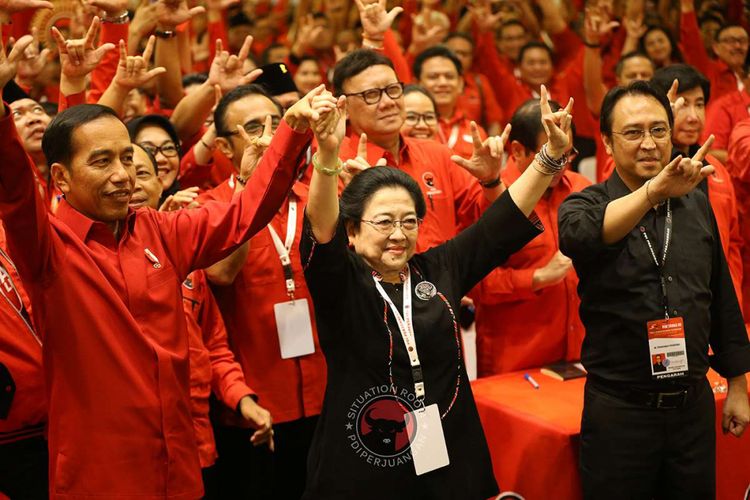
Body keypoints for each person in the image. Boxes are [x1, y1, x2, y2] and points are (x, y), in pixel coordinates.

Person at [0, 34, 331, 494]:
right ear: (61, 178)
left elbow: (243, 214)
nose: (122, 174)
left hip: (179, 461)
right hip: (100, 474)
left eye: (126, 159)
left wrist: (292, 131)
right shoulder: (48, 249)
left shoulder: (159, 229)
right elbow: (15, 190)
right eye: (101, 161)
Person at [302, 86, 574, 499]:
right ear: (353, 233)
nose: (398, 234)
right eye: (384, 222)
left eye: (409, 221)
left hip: (447, 444)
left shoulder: (437, 269)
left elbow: (501, 221)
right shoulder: (341, 280)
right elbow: (321, 231)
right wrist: (326, 155)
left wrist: (549, 157)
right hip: (365, 454)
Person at [559, 81, 750, 499]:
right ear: (607, 142)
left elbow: (719, 294)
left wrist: (738, 383)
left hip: (692, 409)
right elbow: (581, 237)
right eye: (633, 132)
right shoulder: (584, 205)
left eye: (659, 130)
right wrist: (652, 193)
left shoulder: (694, 201)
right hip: (621, 413)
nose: (649, 143)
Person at [198, 83, 328, 499]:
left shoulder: (315, 199)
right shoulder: (207, 208)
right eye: (254, 126)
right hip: (254, 402)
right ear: (223, 145)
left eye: (279, 123)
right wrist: (250, 191)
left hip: (327, 389)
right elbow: (221, 273)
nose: (269, 135)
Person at [129, 143, 273, 497]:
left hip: (197, 436)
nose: (130, 182)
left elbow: (213, 346)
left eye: (142, 173)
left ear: (163, 182)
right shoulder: (93, 264)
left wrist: (243, 399)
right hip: (136, 447)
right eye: (122, 172)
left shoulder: (191, 268)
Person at [332, 49, 506, 251]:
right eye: (371, 94)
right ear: (343, 107)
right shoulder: (337, 166)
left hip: (445, 277)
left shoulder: (438, 154)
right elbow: (331, 246)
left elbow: (489, 220)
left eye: (393, 89)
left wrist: (491, 181)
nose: (388, 102)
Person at [473, 98, 590, 376]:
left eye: (567, 152)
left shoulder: (582, 189)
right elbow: (474, 284)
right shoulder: (492, 197)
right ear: (517, 151)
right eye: (551, 152)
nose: (560, 164)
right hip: (517, 360)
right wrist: (538, 277)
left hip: (580, 354)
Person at [650, 64, 745, 314]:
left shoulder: (718, 170)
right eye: (682, 105)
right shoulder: (643, 169)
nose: (693, 116)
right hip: (666, 309)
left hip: (719, 306)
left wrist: (732, 302)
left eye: (700, 104)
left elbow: (732, 244)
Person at [412, 45, 487, 159]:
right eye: (433, 77)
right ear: (417, 83)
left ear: (461, 83)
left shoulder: (475, 132)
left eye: (449, 76)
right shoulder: (410, 128)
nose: (443, 83)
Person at [680, 0, 749, 101]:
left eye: (742, 41)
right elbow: (691, 41)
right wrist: (687, 6)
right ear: (716, 47)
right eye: (730, 41)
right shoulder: (707, 70)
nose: (738, 46)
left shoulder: (747, 76)